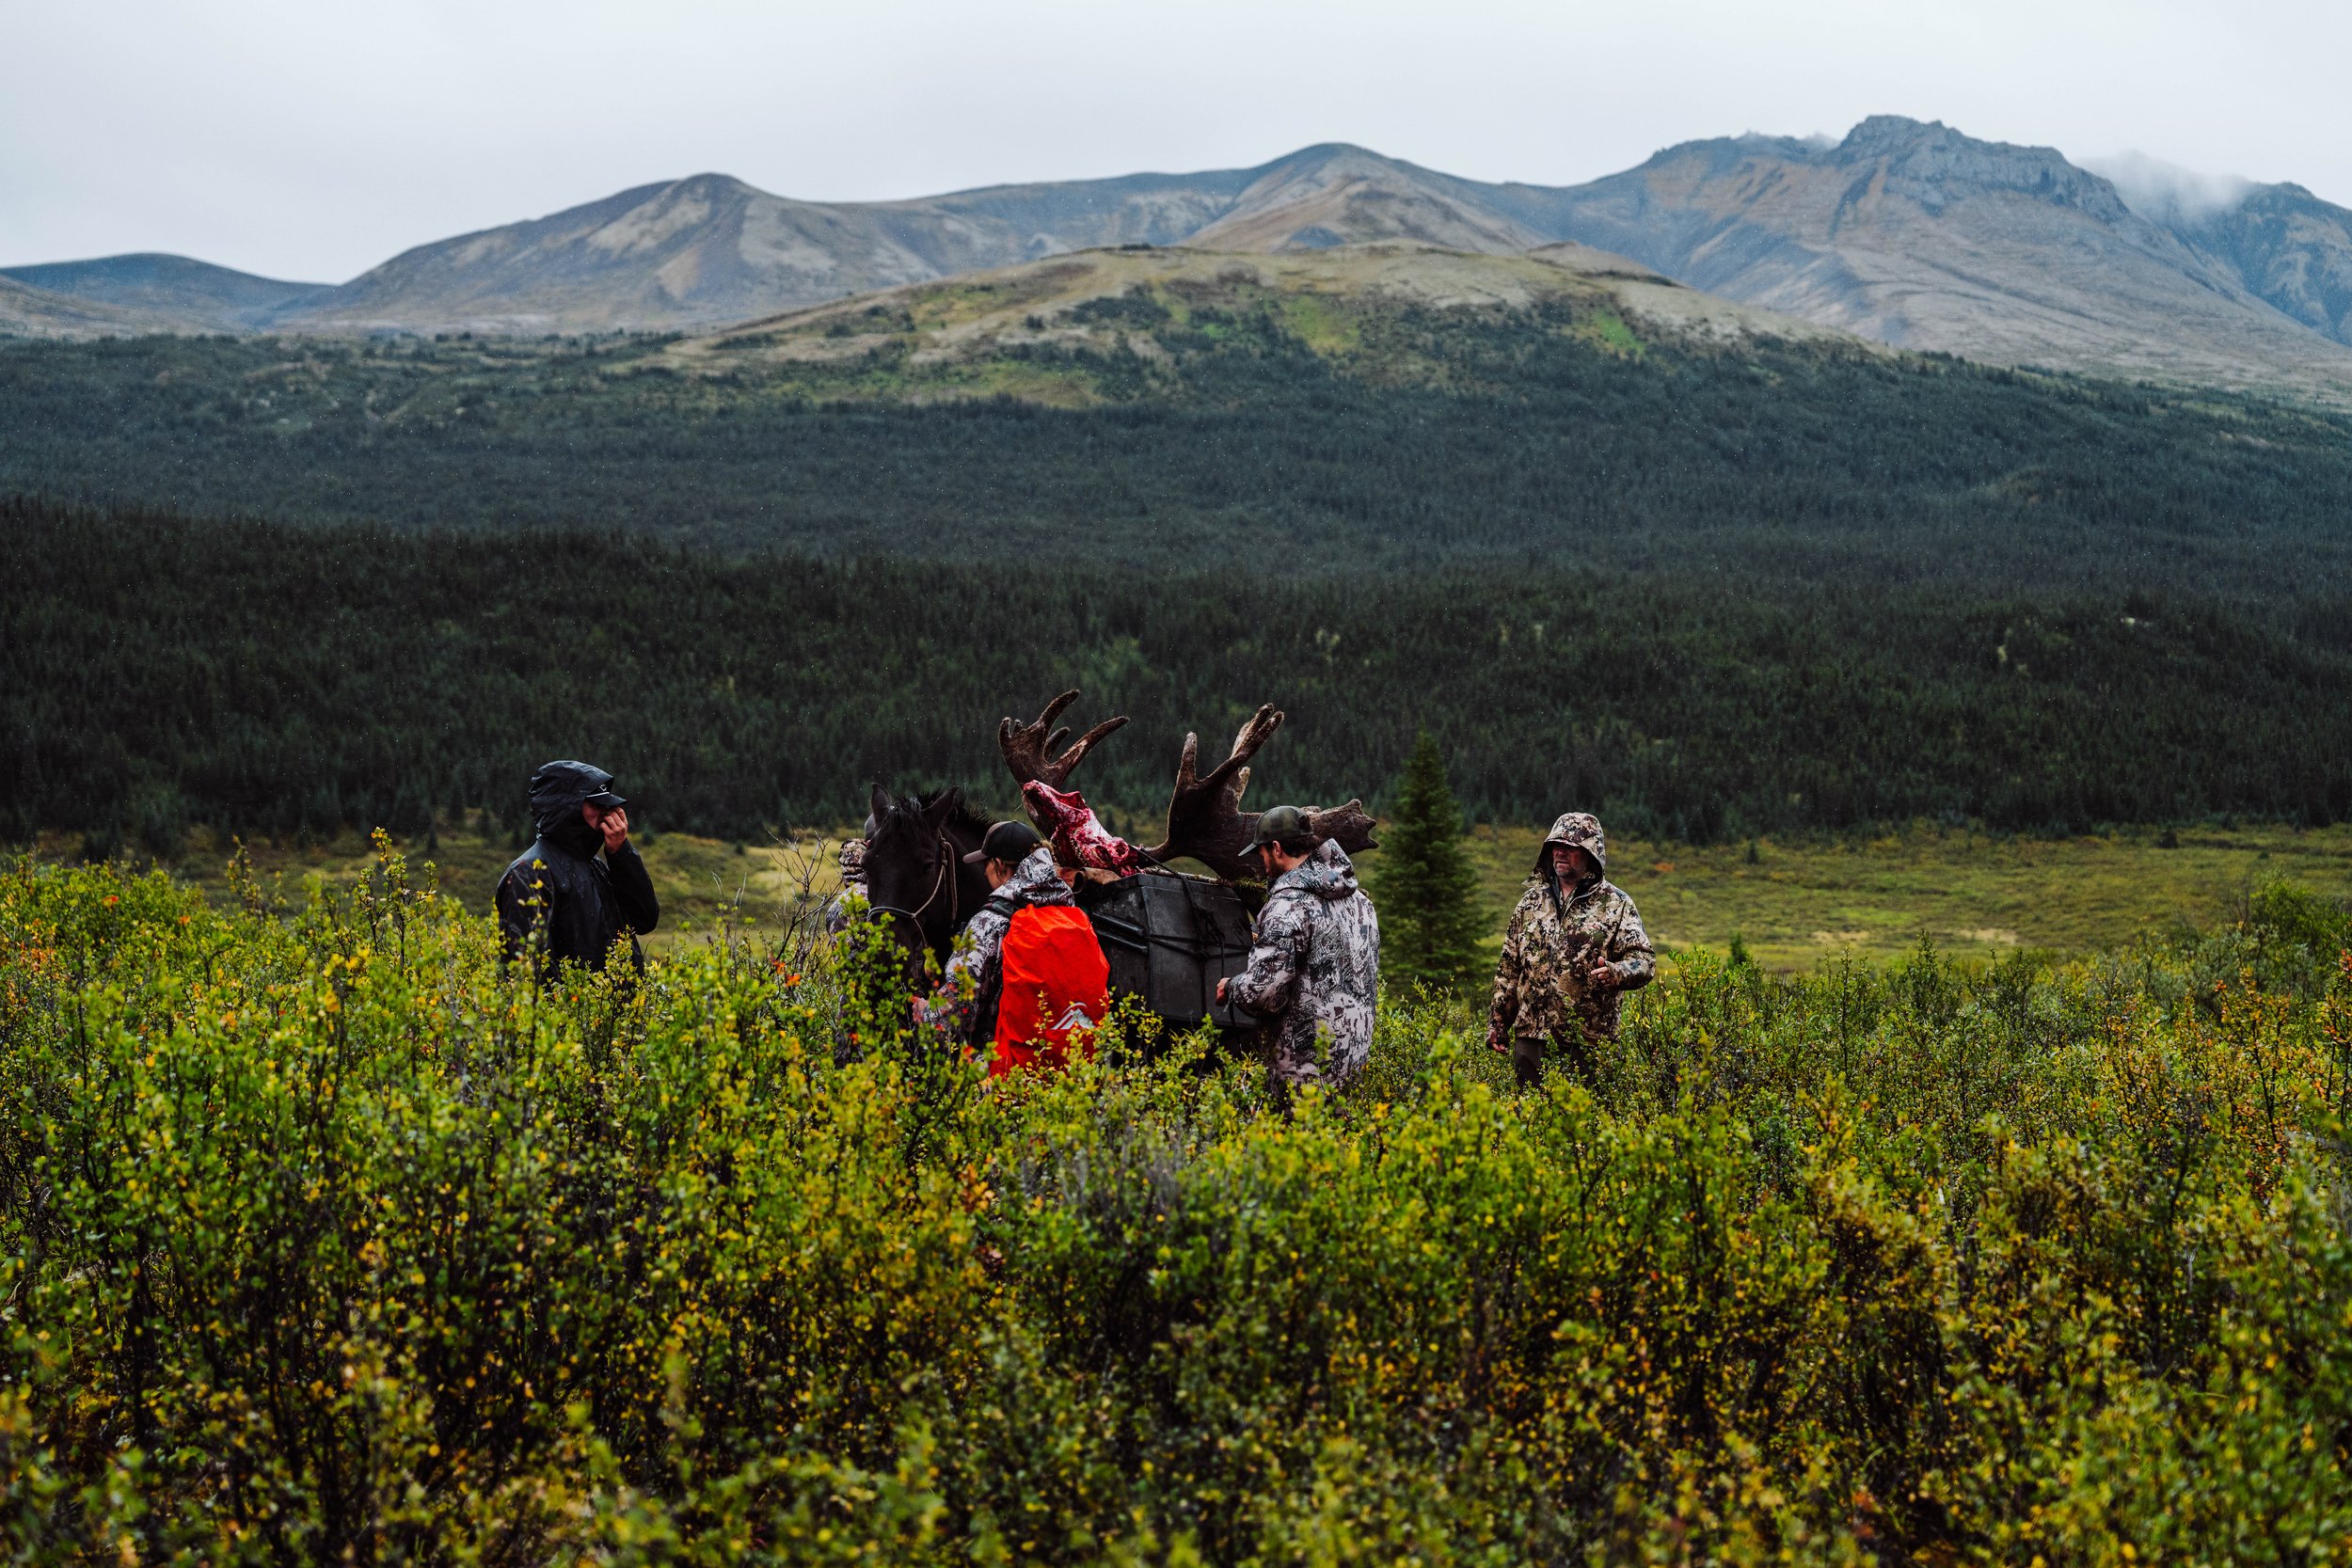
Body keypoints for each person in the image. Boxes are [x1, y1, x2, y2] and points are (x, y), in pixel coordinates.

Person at [925, 819, 1109, 1077]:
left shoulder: (991, 922)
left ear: (1000, 866)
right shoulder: (1074, 915)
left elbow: (955, 1014)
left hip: (1007, 1077)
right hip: (1074, 1076)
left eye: (986, 864)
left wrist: (926, 1013)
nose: (984, 872)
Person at [1216, 805, 1380, 1090]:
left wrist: (1231, 987)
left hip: (1302, 1074)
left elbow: (1265, 994)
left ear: (1276, 848)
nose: (1261, 860)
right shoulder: (1362, 905)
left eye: (1261, 852)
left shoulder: (1288, 905)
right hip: (1351, 1069)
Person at [1486, 811, 1653, 1088]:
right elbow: (1509, 969)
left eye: (1571, 847)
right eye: (1556, 845)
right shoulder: (1530, 904)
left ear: (1591, 853)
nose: (1561, 853)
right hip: (1531, 1039)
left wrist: (1616, 972)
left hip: (1587, 1041)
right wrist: (1498, 1022)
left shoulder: (1616, 905)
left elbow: (1644, 961)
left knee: (1584, 1124)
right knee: (1529, 1121)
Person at [496, 760, 660, 976]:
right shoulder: (528, 873)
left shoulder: (596, 866)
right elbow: (528, 974)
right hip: (577, 1009)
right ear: (566, 807)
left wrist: (621, 853)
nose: (608, 814)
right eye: (597, 805)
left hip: (616, 1009)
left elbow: (645, 919)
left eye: (608, 806)